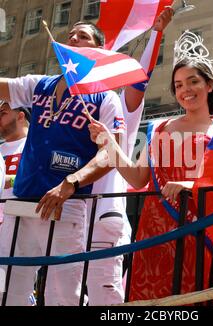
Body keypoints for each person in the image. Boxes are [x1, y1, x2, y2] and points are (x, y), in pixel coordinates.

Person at [89, 30, 213, 300]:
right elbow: (137, 178)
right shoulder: (159, 129)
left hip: (197, 229)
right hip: (153, 232)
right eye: (178, 85)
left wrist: (191, 185)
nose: (185, 90)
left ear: (210, 85)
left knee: (190, 297)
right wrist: (108, 142)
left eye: (193, 82)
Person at [0, 22, 125, 306]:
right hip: (21, 202)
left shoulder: (106, 97)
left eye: (83, 36)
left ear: (99, 50)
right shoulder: (39, 84)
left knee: (62, 296)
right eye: (70, 35)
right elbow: (4, 87)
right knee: (7, 291)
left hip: (66, 205)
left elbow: (111, 153)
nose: (73, 39)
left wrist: (70, 183)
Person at [86, 7, 174, 305]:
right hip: (66, 216)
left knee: (105, 299)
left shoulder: (119, 107)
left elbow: (140, 80)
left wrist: (157, 32)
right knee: (60, 294)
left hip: (103, 220)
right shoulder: (61, 106)